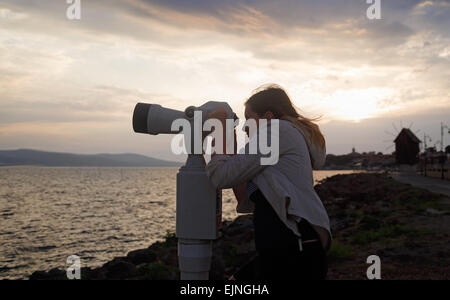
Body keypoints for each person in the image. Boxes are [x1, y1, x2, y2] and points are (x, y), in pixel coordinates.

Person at [205, 84, 331, 280]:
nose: (246, 126)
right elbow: (243, 196)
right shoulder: (278, 142)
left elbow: (220, 176)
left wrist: (219, 127)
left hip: (295, 247)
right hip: (287, 246)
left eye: (249, 119)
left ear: (269, 117)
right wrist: (228, 139)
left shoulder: (278, 131)